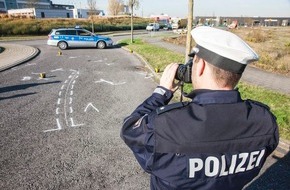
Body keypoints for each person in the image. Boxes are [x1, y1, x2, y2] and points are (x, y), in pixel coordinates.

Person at [120, 26, 279, 190]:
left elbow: (129, 130)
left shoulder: (165, 124)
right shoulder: (265, 121)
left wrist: (161, 93)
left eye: (193, 62)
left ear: (201, 65)